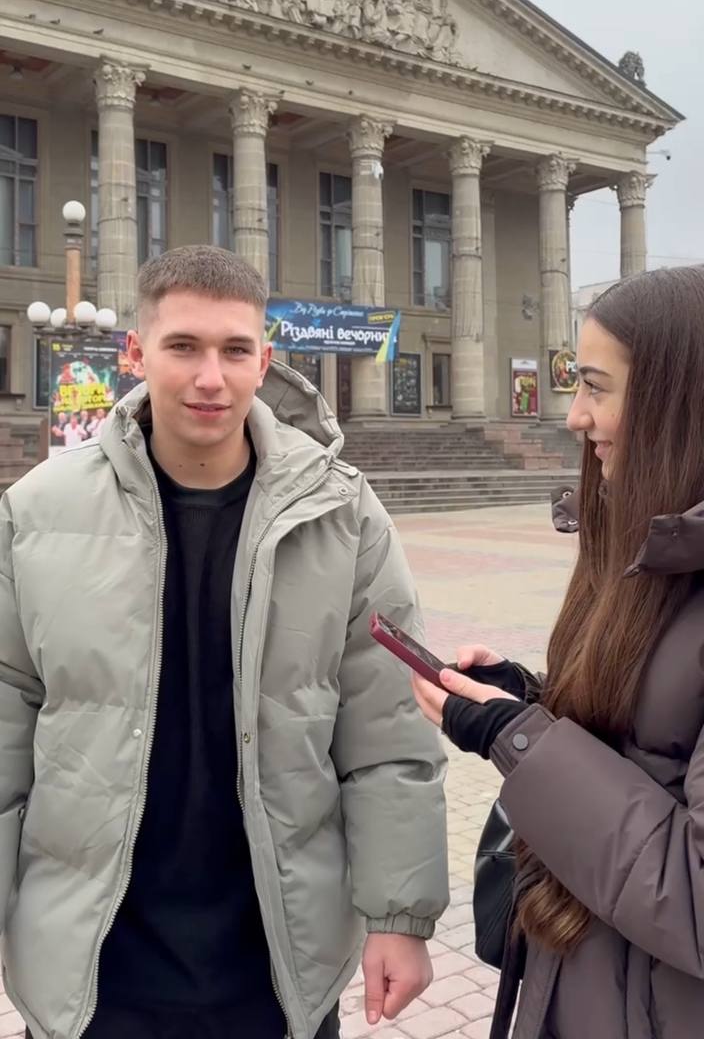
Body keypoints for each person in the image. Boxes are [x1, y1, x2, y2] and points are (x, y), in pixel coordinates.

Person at [0, 245, 448, 1039]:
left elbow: (388, 730)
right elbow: (5, 721)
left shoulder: (342, 515)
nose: (211, 377)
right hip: (91, 967)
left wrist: (399, 916)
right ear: (135, 353)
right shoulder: (37, 513)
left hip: (277, 963)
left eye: (235, 350)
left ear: (264, 361)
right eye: (183, 346)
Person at [413, 264, 704, 1039]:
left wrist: (521, 741)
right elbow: (650, 747)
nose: (574, 416)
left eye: (596, 388)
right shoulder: (653, 550)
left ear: (682, 401)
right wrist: (532, 702)